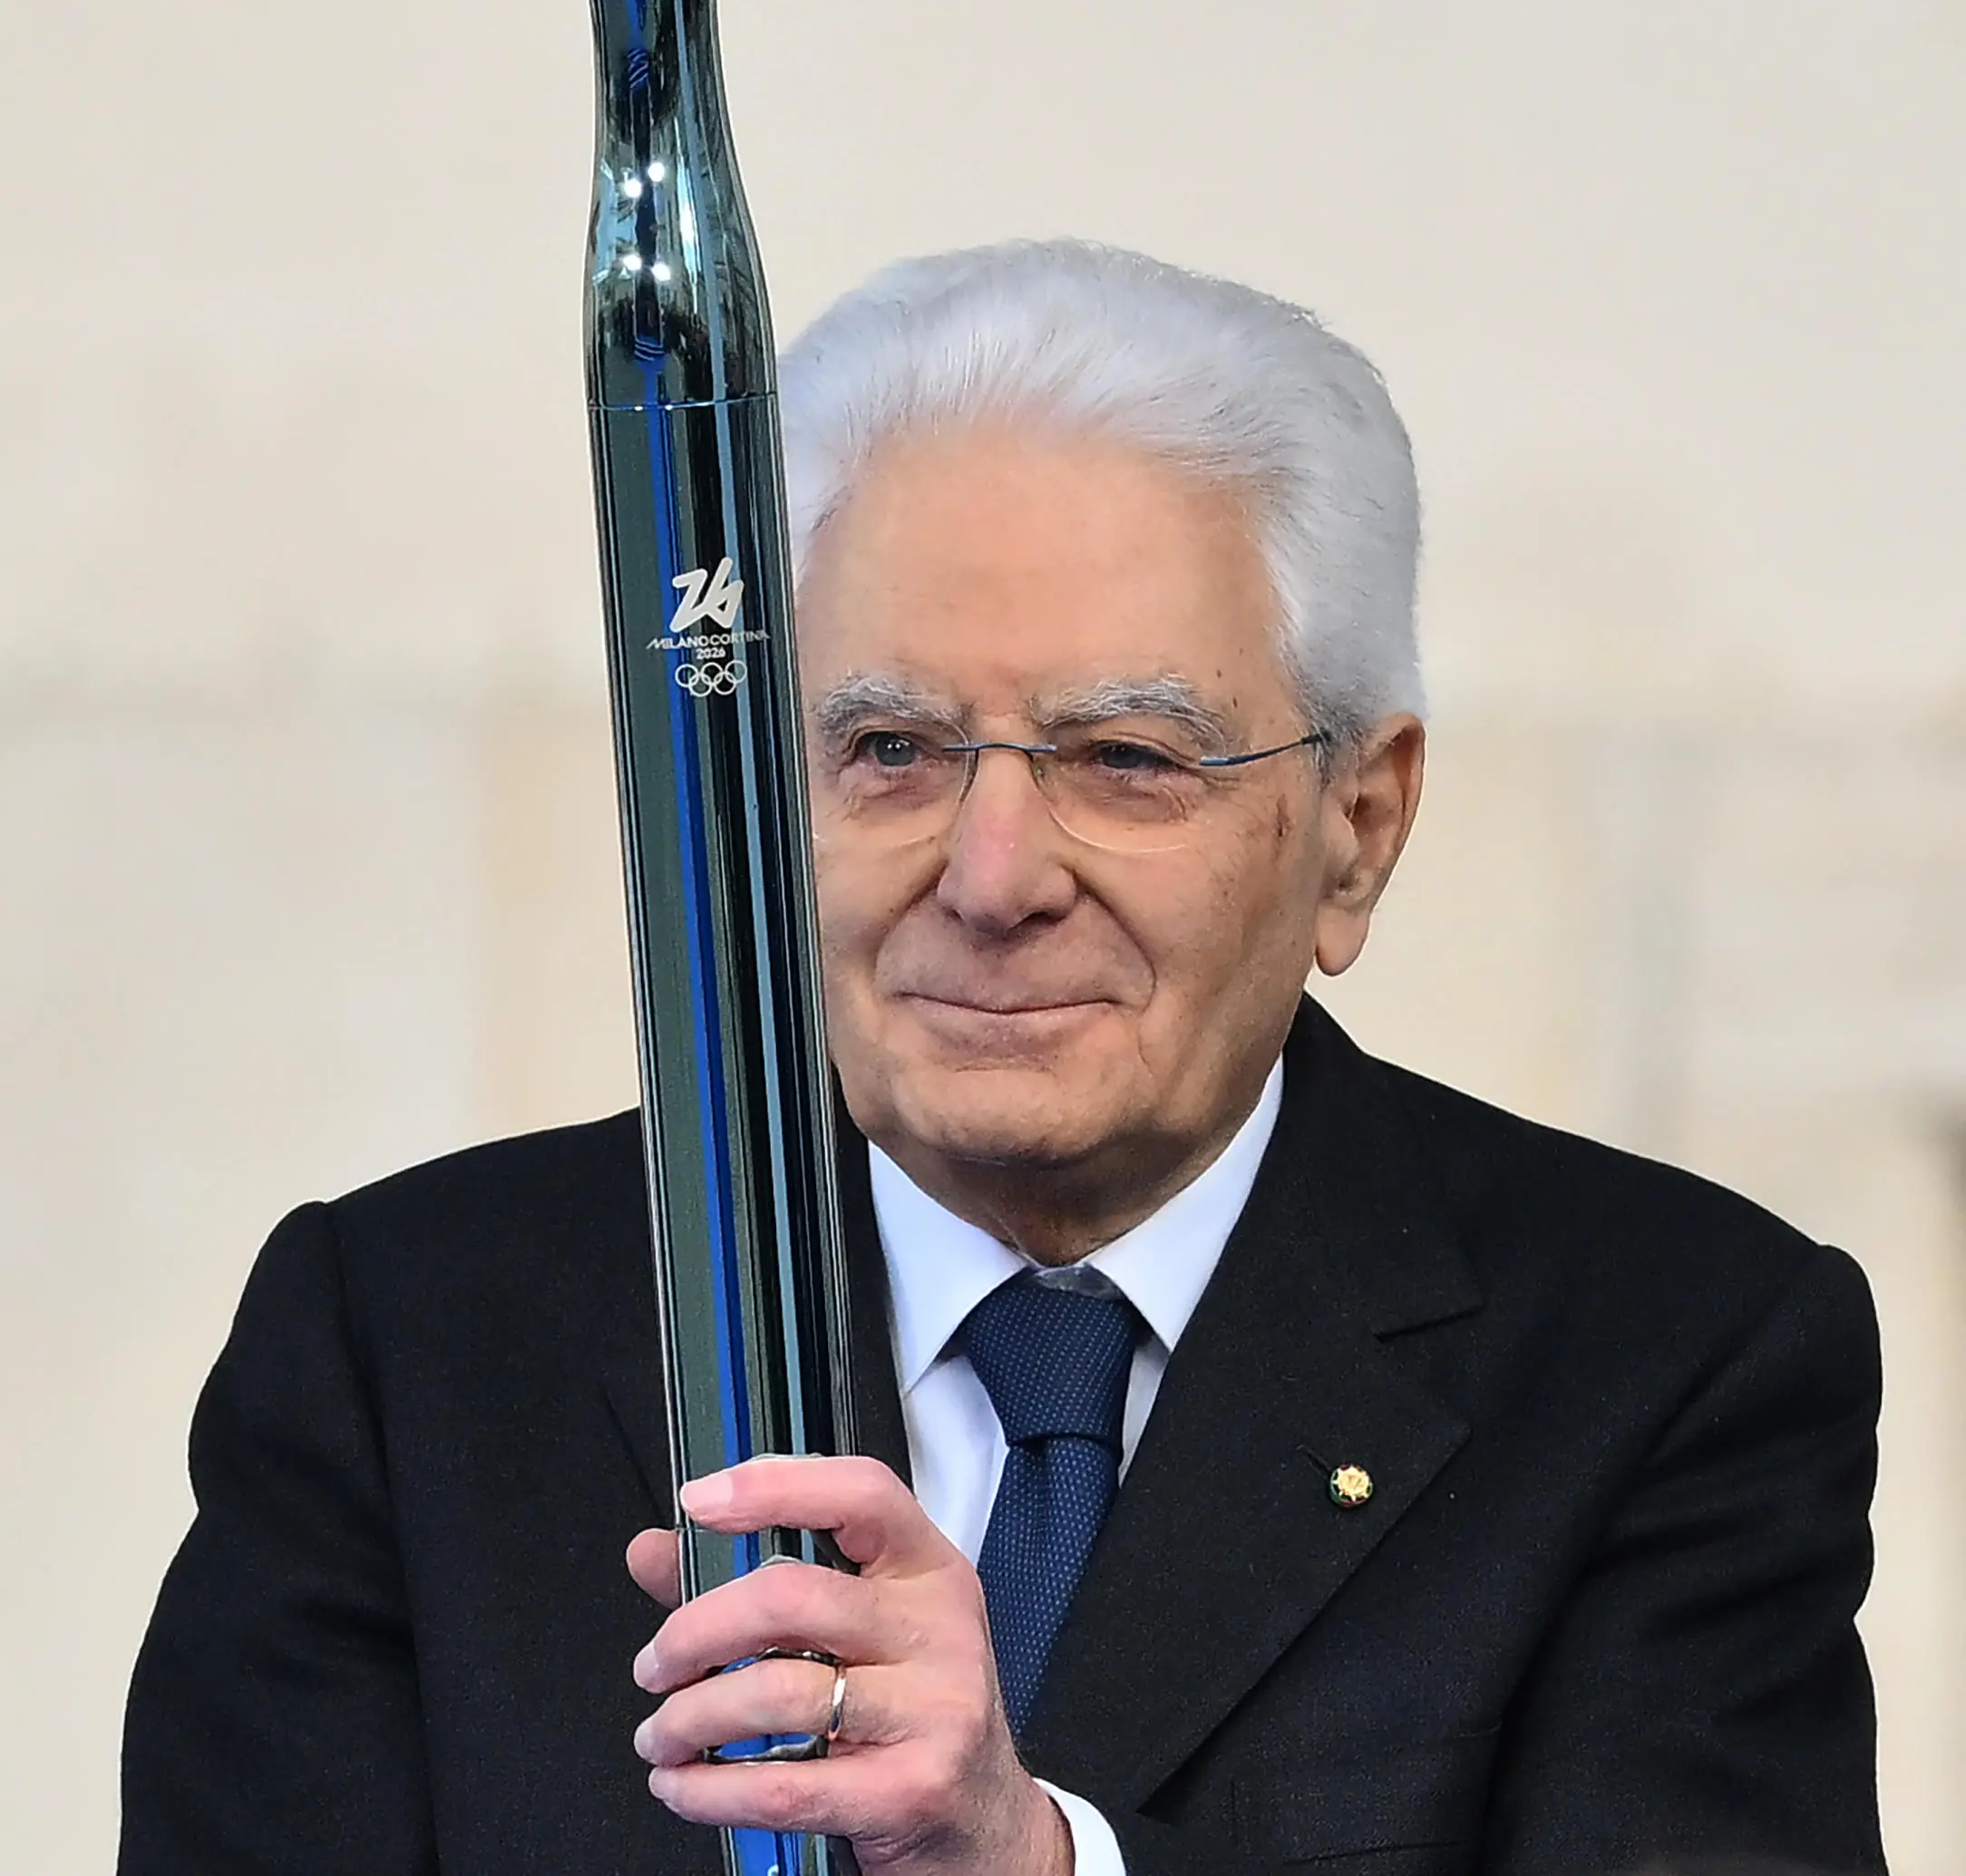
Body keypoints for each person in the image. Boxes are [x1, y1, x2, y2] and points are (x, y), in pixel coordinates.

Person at [119, 241, 1885, 1876]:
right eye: (890, 747)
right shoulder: (413, 1343)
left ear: (1357, 829)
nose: (991, 878)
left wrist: (1036, 1862)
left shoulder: (1665, 1362)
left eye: (1125, 758)